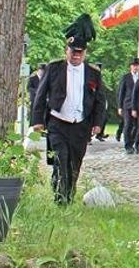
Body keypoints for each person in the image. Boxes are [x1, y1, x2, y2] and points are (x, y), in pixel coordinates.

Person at [31, 15, 106, 205]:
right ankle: (60, 199)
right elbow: (40, 95)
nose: (76, 56)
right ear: (67, 51)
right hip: (57, 123)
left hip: (80, 126)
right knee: (61, 160)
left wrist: (98, 124)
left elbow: (99, 100)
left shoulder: (93, 73)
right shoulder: (54, 68)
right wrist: (37, 120)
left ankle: (69, 196)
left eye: (79, 53)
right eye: (73, 52)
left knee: (74, 164)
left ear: (85, 53)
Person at [116, 57, 139, 151]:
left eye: (137, 66)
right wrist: (119, 106)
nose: (135, 67)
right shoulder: (126, 77)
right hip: (127, 105)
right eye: (134, 66)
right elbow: (121, 92)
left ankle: (132, 142)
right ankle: (128, 145)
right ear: (131, 67)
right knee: (128, 125)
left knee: (137, 126)